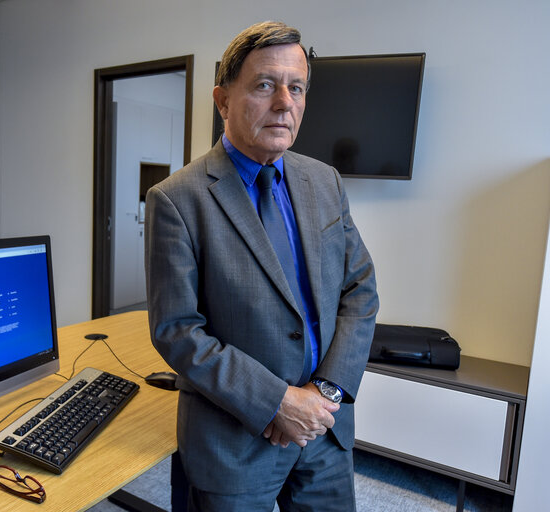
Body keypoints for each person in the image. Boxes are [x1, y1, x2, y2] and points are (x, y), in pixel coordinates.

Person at [144, 20, 379, 511]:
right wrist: (278, 402)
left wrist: (324, 393)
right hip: (234, 443)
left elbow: (359, 289)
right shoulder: (177, 200)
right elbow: (177, 330)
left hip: (325, 431)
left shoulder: (325, 181)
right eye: (265, 85)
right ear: (223, 100)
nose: (284, 103)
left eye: (296, 88)